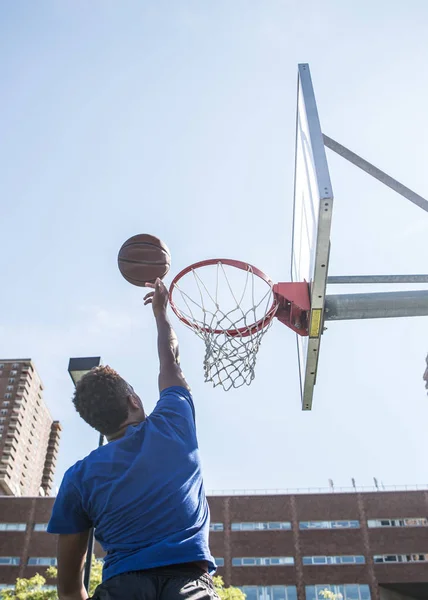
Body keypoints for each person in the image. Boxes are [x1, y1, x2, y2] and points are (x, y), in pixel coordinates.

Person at [48, 279, 217, 600]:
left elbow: (69, 589)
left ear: (94, 422)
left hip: (120, 588)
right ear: (134, 401)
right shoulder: (173, 423)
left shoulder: (77, 478)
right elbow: (170, 360)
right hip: (189, 584)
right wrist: (160, 313)